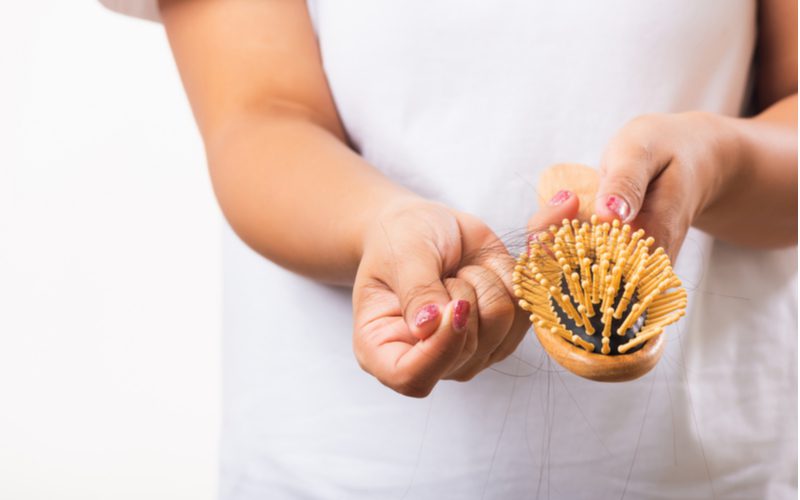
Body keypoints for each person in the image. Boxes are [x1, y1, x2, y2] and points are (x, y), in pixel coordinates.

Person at [101, 0, 798, 498]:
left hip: (713, 474)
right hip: (338, 470)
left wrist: (719, 161)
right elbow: (259, 119)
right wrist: (384, 224)